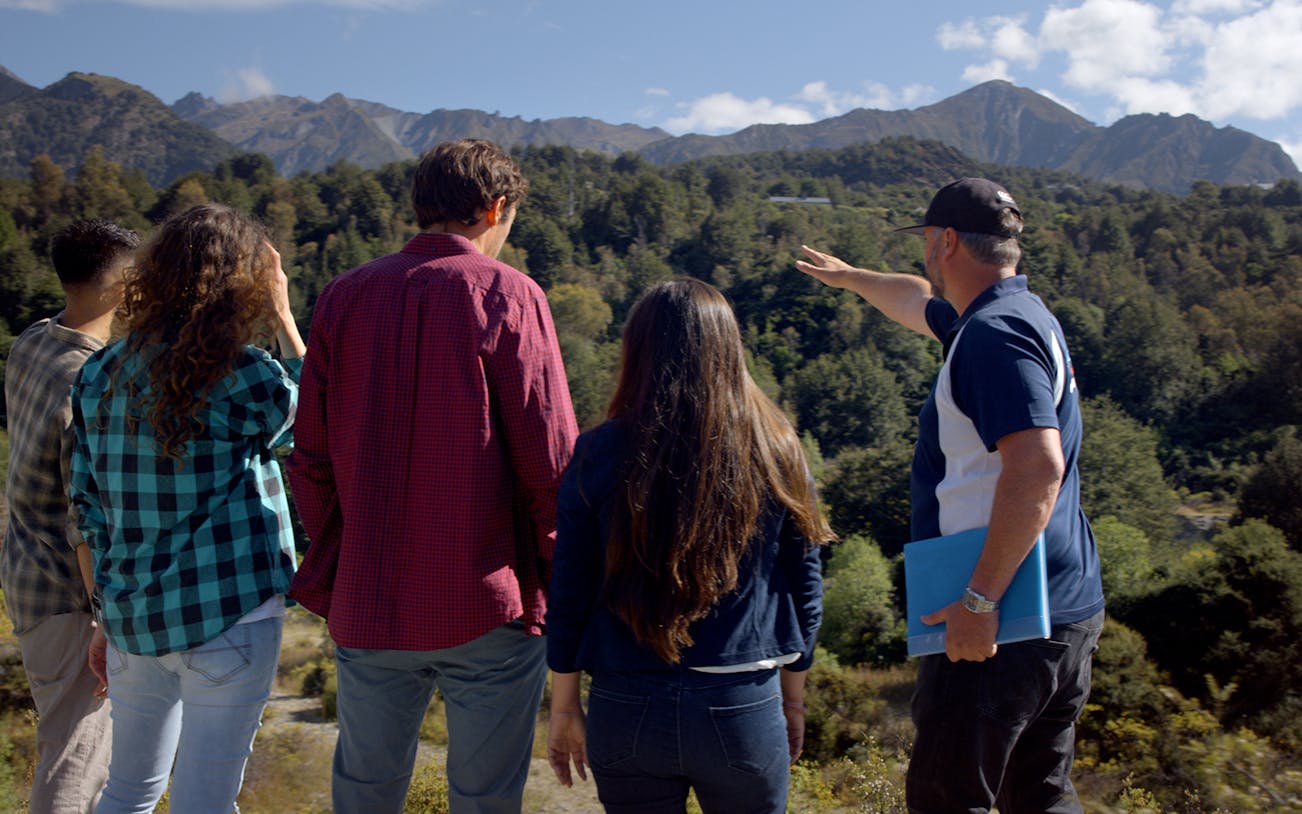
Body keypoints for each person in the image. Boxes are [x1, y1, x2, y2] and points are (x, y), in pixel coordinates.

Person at [287, 139, 578, 814]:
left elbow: (310, 460)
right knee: (484, 800)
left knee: (363, 795)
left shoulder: (342, 297)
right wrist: (561, 582)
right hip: (487, 601)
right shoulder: (510, 295)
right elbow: (551, 464)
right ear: (496, 208)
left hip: (370, 599)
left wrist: (343, 556)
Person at [796, 178, 1105, 814]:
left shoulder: (993, 337)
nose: (924, 260)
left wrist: (978, 599)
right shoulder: (1014, 316)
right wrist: (853, 276)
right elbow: (915, 301)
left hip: (1004, 619)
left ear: (945, 241)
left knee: (947, 796)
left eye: (927, 245)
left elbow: (1038, 468)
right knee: (1039, 797)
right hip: (1061, 607)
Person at [545, 278, 831, 814]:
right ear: (729, 348)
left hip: (625, 704)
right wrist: (793, 700)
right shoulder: (776, 446)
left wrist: (564, 709)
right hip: (743, 705)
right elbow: (805, 589)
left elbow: (568, 592)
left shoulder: (599, 450)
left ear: (637, 350)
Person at [68, 203, 305, 814]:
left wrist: (103, 614)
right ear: (243, 283)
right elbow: (318, 431)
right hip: (229, 613)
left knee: (126, 792)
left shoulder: (97, 373)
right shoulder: (246, 372)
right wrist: (283, 316)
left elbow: (88, 509)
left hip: (131, 619)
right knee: (205, 802)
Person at [1, 219, 137, 813]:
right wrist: (105, 621)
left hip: (27, 579)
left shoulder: (34, 340)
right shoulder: (90, 382)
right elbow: (86, 517)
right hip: (70, 598)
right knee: (76, 760)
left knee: (75, 752)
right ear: (119, 286)